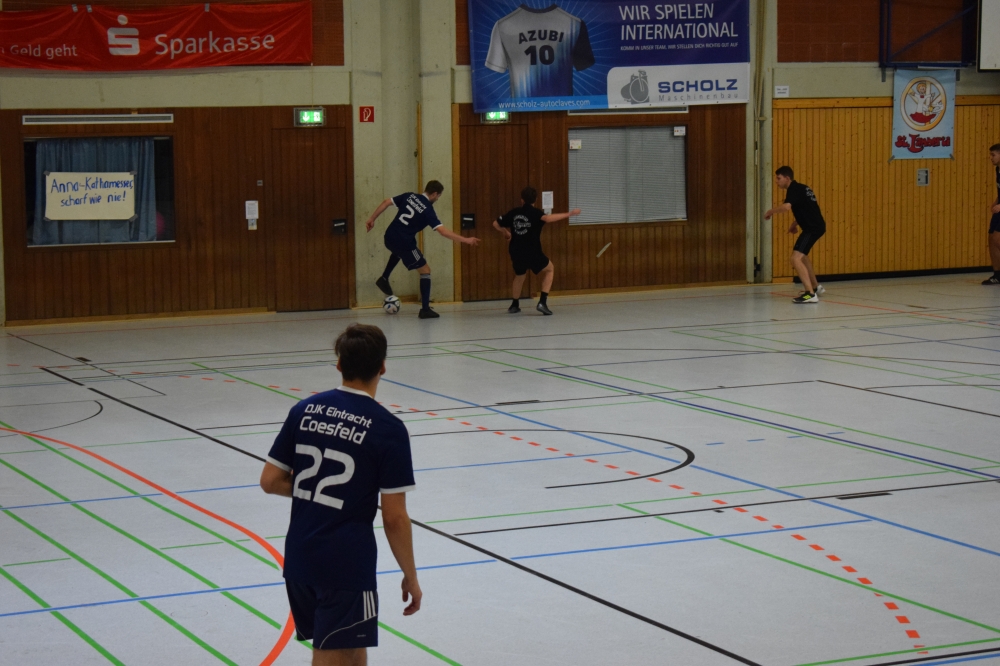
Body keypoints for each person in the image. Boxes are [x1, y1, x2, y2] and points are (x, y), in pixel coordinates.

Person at [260, 324, 420, 666]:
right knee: (336, 655)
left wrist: (312, 491)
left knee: (351, 651)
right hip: (345, 567)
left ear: (339, 364)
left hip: (300, 560)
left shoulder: (304, 410)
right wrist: (411, 575)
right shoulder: (388, 430)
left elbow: (270, 480)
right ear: (382, 367)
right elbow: (394, 518)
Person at [366, 180, 479, 319]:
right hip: (405, 243)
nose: (437, 199)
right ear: (434, 194)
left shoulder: (409, 196)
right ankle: (425, 309)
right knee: (425, 270)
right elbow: (443, 231)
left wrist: (372, 219)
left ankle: (384, 278)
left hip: (389, 236)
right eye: (438, 196)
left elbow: (386, 202)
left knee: (398, 251)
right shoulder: (428, 210)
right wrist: (466, 240)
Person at [493, 187, 581, 315]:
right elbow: (548, 219)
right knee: (550, 269)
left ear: (522, 199)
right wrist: (570, 214)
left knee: (520, 275)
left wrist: (505, 232)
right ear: (536, 200)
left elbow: (495, 224)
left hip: (516, 251)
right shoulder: (536, 213)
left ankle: (514, 305)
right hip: (532, 251)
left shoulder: (514, 212)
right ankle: (542, 302)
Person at [765, 166, 827, 303]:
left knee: (795, 259)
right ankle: (815, 287)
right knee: (802, 257)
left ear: (787, 178)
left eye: (778, 178)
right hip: (815, 226)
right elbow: (807, 208)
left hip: (812, 228)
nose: (776, 181)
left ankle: (810, 294)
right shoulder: (802, 188)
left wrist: (770, 211)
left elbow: (786, 207)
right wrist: (795, 223)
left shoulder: (793, 189)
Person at [983, 143, 1000, 285]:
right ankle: (997, 275)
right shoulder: (998, 169)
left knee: (997, 239)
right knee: (991, 239)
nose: (991, 158)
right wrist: (996, 201)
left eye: (993, 155)